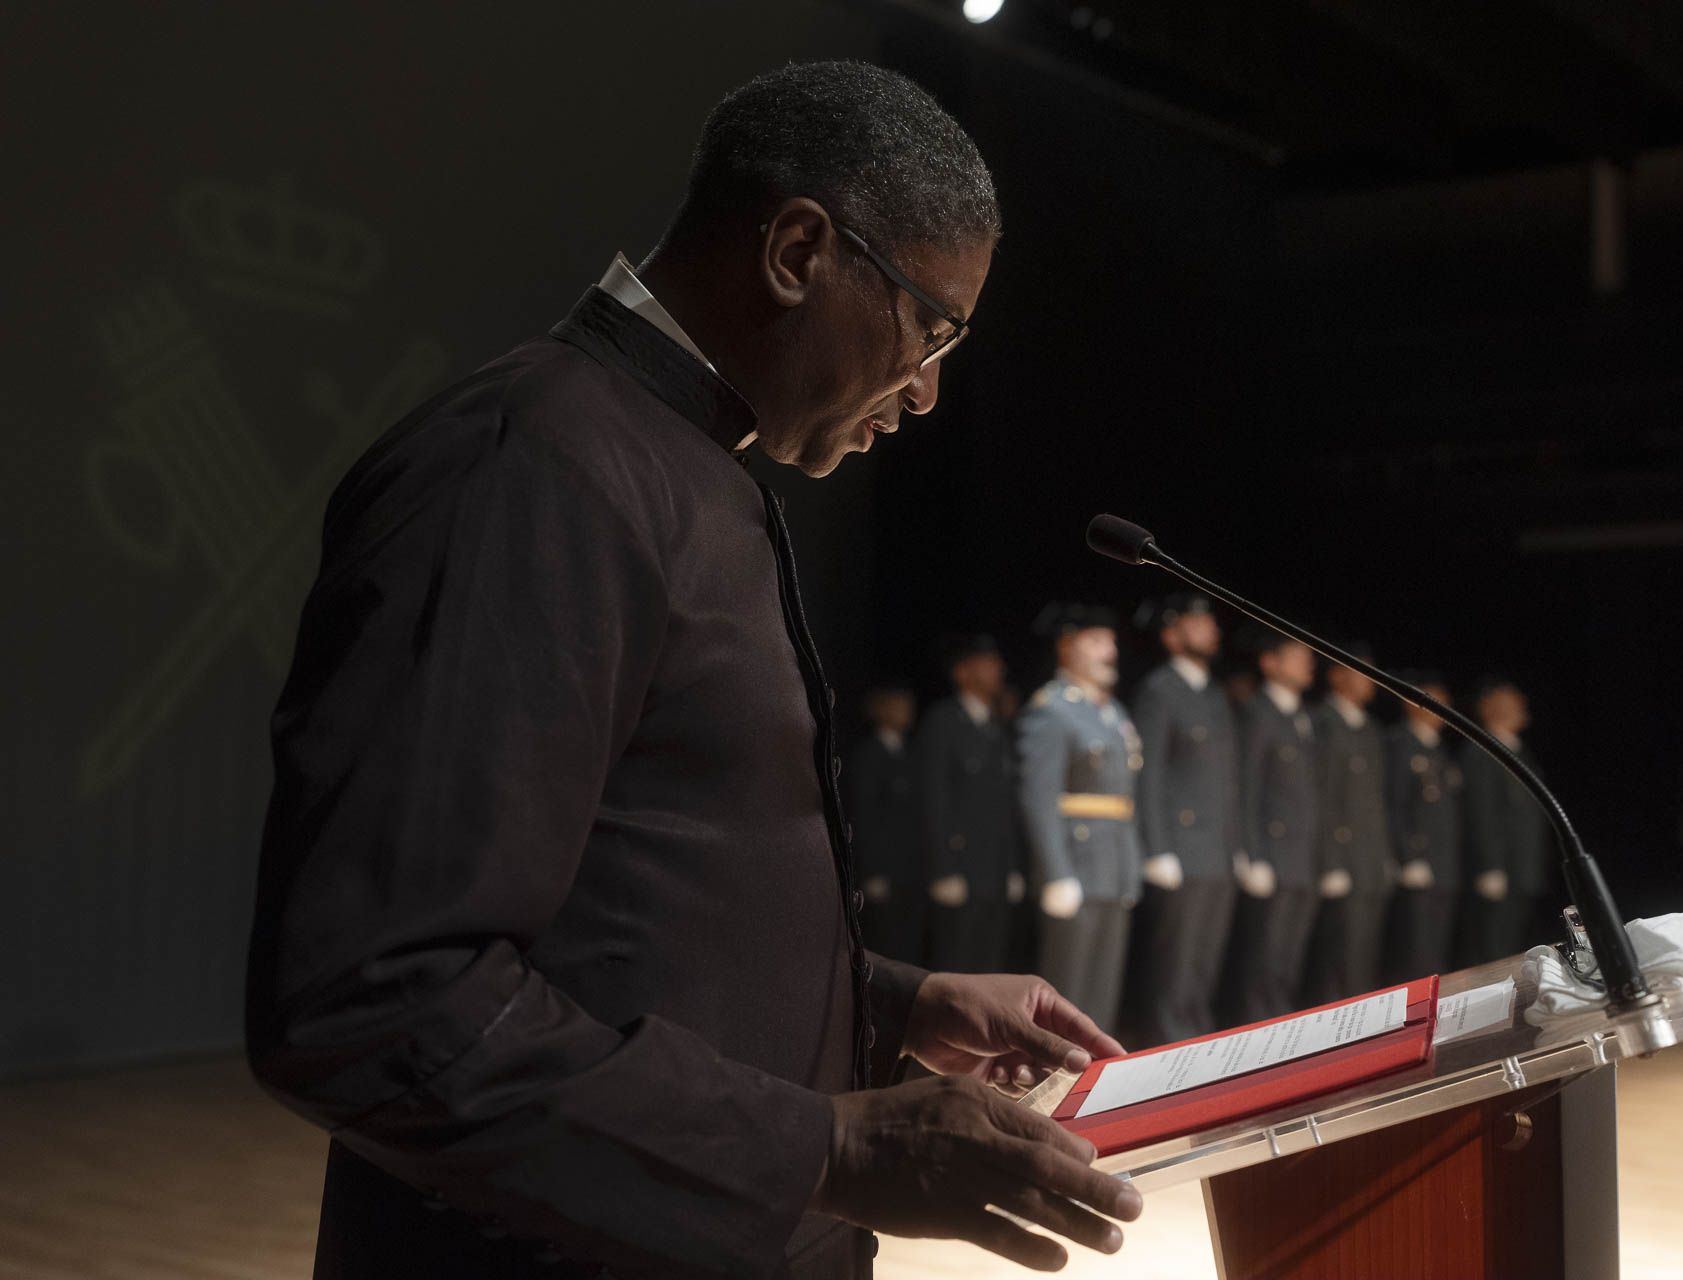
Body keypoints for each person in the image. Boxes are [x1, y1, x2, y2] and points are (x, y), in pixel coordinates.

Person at [244, 62, 1138, 1280]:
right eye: (930, 325)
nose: (927, 388)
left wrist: (892, 1001)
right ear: (797, 251)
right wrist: (820, 1143)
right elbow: (376, 997)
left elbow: (629, 922)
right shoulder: (531, 467)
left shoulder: (659, 459)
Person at [1016, 603, 1144, 1034]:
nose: (1108, 651)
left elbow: (1124, 801)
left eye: (1109, 641)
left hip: (1111, 868)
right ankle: (1054, 1088)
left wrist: (1131, 866)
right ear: (1067, 647)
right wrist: (1055, 872)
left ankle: (1097, 1087)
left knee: (1102, 995)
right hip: (1076, 863)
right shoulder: (1052, 709)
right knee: (1067, 995)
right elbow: (1039, 796)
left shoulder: (1114, 715)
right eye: (1095, 641)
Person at [1125, 593, 1240, 1045]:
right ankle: (1170, 1042)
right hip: (1182, 846)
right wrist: (1156, 847)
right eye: (1198, 621)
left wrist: (1239, 845)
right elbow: (1149, 773)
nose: (1210, 628)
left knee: (1205, 958)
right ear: (1172, 634)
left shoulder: (1213, 693)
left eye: (1210, 621)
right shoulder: (1160, 690)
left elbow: (1229, 780)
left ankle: (1197, 1039)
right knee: (1176, 958)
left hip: (1217, 849)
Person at [1218, 634, 1322, 1024]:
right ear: (1270, 662)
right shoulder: (1258, 713)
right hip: (1273, 854)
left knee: (1288, 959)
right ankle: (1262, 1033)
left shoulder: (1301, 716)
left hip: (1302, 856)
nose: (1307, 663)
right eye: (1297, 656)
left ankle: (1283, 1031)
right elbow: (1246, 787)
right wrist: (1252, 853)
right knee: (1265, 958)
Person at [916, 634, 1022, 973]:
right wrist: (944, 867)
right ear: (963, 672)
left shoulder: (996, 727)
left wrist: (1013, 865)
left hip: (995, 868)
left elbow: (1006, 804)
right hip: (961, 866)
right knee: (956, 962)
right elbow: (934, 799)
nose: (998, 670)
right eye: (987, 663)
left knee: (990, 960)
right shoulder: (943, 721)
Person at [1305, 653, 1396, 1002]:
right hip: (1343, 856)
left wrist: (1385, 855)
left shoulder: (1369, 728)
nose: (1370, 681)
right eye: (1361, 672)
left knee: (1365, 952)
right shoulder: (1323, 722)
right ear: (1338, 676)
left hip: (1370, 858)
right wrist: (1331, 860)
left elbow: (1376, 800)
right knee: (1339, 956)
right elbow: (1323, 797)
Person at [1459, 678, 1556, 965]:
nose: (1520, 709)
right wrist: (1490, 865)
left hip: (1522, 867)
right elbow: (1481, 810)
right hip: (1500, 870)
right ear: (1489, 709)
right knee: (1493, 946)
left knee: (1514, 942)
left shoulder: (1518, 749)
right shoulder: (1482, 749)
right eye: (1511, 704)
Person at [1382, 675, 1464, 981]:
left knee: (1436, 948)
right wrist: (1407, 855)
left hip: (1443, 864)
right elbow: (1394, 804)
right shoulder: (1401, 744)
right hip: (1419, 861)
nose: (1442, 710)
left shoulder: (1439, 750)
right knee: (1416, 950)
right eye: (1434, 702)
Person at [847, 686, 925, 968]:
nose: (906, 711)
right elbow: (865, 816)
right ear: (880, 709)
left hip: (911, 868)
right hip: (885, 869)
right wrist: (873, 871)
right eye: (897, 704)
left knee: (910, 945)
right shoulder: (869, 754)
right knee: (885, 945)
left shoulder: (911, 753)